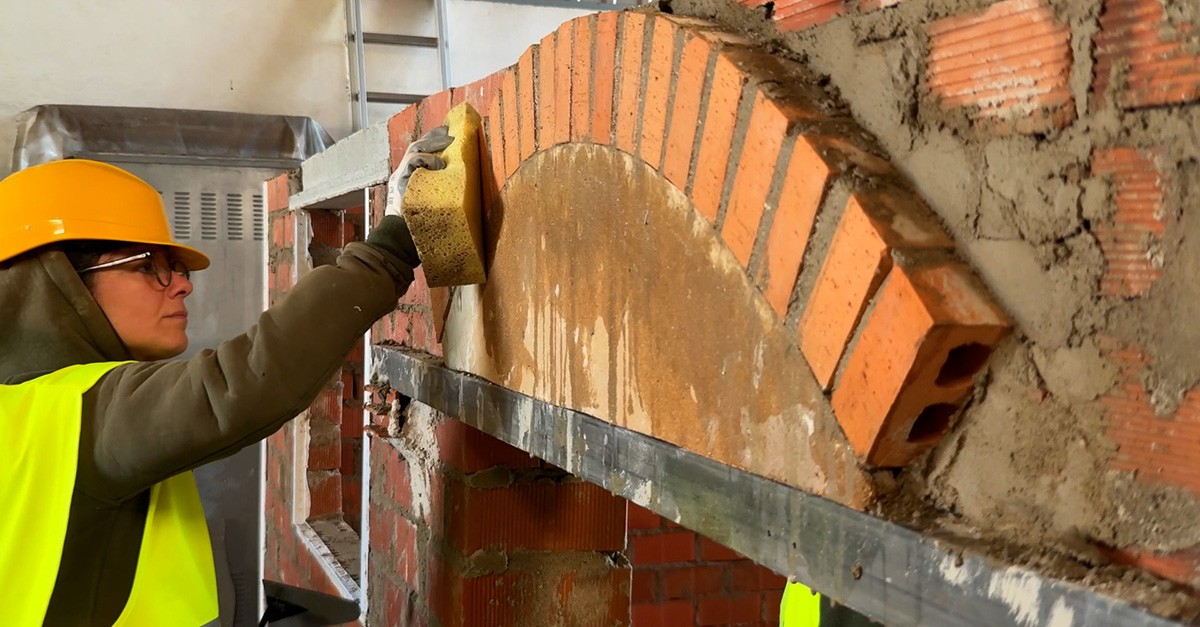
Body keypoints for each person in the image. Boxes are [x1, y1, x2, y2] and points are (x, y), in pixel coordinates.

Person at [0, 129, 452, 626]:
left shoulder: (20, 410)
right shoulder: (72, 412)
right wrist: (387, 249)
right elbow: (245, 384)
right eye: (152, 266)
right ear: (58, 284)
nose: (183, 285)